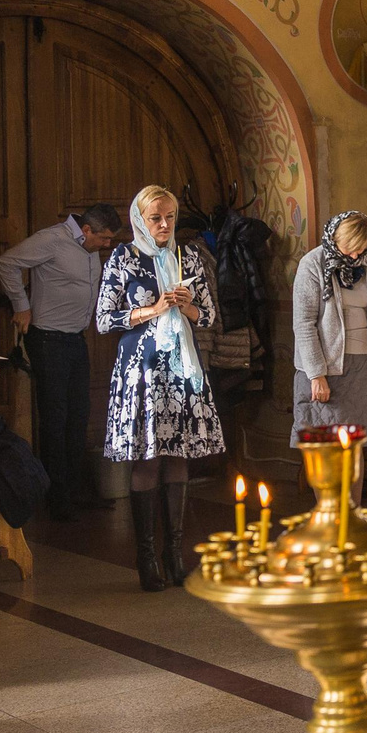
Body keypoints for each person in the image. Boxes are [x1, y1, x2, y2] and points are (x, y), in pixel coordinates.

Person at [98, 185, 225, 592]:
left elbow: (207, 317)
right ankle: (146, 557)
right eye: (156, 218)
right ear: (140, 219)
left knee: (179, 457)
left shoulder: (189, 256)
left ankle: (175, 554)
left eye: (170, 216)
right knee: (149, 459)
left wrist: (186, 305)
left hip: (182, 369)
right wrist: (153, 309)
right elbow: (103, 319)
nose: (165, 224)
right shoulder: (124, 257)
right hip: (142, 370)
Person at [0, 202, 123, 520]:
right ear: (87, 230)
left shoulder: (89, 244)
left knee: (79, 416)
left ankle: (75, 490)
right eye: (104, 239)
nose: (107, 246)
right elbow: (7, 263)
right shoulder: (51, 240)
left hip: (75, 339)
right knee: (55, 419)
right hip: (48, 339)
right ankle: (57, 499)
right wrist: (21, 306)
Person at [293, 210, 367, 452]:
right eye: (349, 248)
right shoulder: (312, 264)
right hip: (325, 370)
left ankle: (355, 494)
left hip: (364, 369)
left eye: (361, 249)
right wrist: (317, 375)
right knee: (327, 449)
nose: (355, 255)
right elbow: (304, 325)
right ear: (334, 238)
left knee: (355, 449)